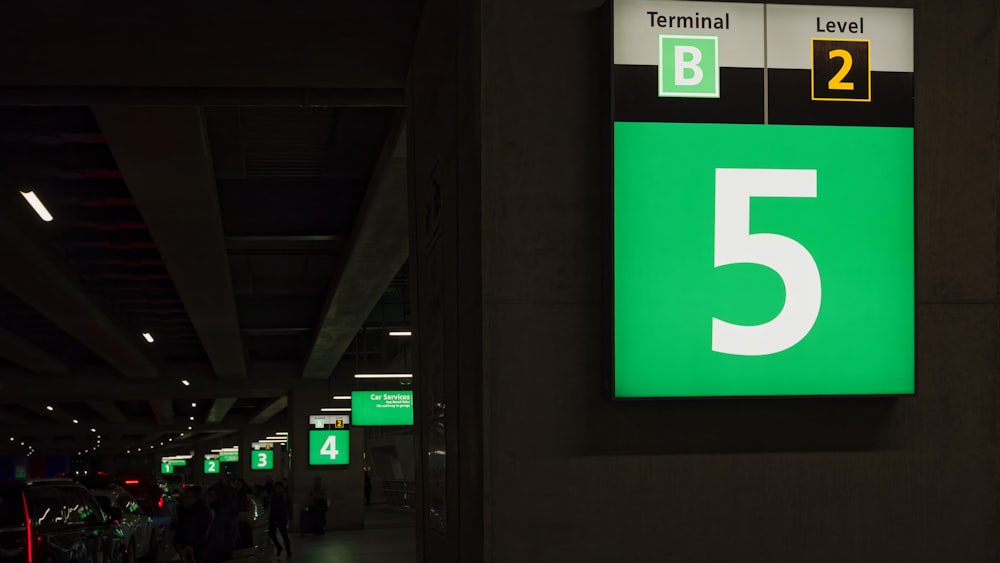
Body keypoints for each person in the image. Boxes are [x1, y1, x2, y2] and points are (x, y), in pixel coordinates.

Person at [173, 486, 211, 563]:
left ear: (196, 498)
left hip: (196, 550)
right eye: (184, 497)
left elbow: (200, 532)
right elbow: (180, 529)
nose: (185, 500)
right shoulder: (184, 511)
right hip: (185, 548)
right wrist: (177, 542)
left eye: (189, 498)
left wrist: (191, 545)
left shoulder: (201, 512)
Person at [268, 482, 292, 558]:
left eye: (278, 487)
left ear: (282, 488)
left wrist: (287, 517)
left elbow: (288, 507)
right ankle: (279, 547)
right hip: (273, 518)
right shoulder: (273, 495)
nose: (277, 489)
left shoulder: (284, 496)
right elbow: (271, 506)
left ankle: (288, 552)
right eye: (276, 487)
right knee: (271, 534)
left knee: (284, 536)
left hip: (281, 518)